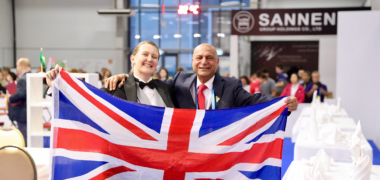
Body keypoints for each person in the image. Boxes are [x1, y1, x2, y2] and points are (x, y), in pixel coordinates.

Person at [105, 43, 298, 111]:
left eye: (209, 58)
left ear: (217, 62)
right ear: (192, 61)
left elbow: (255, 100)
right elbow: (144, 80)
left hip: (217, 154)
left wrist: (283, 102)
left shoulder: (231, 86)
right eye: (199, 57)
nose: (204, 62)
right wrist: (124, 76)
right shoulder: (178, 82)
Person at [46, 41, 176, 108]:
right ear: (133, 59)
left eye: (154, 57)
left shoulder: (168, 88)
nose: (150, 59)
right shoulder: (116, 87)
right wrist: (56, 86)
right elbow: (87, 101)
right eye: (145, 54)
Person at [7, 58, 31, 145]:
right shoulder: (31, 76)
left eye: (16, 66)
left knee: (24, 137)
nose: (16, 68)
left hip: (22, 113)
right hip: (29, 113)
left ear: (21, 65)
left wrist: (10, 97)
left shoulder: (22, 79)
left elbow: (21, 94)